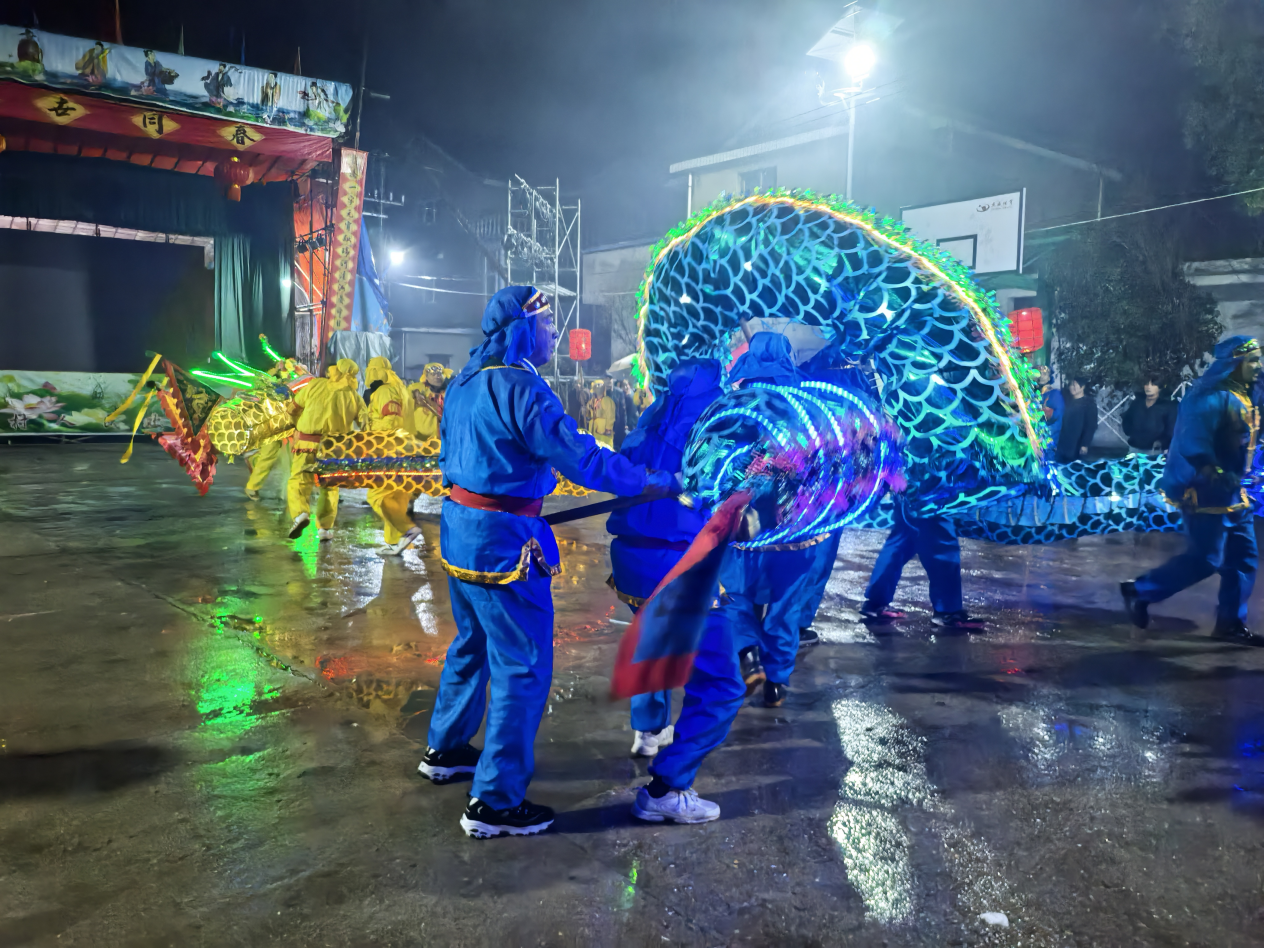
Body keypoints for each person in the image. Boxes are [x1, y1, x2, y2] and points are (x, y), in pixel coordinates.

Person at [418, 286, 673, 839]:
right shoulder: (521, 387)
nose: (555, 332)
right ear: (521, 329)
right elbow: (579, 457)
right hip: (504, 543)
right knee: (523, 665)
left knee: (471, 645)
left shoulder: (463, 382)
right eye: (548, 322)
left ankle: (447, 749)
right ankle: (495, 802)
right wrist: (646, 480)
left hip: (460, 532)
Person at [607, 358, 724, 758]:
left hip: (631, 555)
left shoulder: (647, 421)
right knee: (706, 652)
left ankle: (649, 729)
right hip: (679, 557)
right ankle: (683, 752)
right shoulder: (712, 428)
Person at [1122, 336, 1263, 644]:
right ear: (1234, 364)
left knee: (1243, 559)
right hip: (1204, 492)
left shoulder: (1249, 395)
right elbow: (1192, 441)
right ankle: (1140, 590)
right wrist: (1214, 471)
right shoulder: (1209, 398)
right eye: (1252, 360)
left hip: (1236, 495)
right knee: (1206, 560)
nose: (1259, 366)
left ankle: (1230, 624)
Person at [720, 332, 831, 707]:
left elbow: (718, 462)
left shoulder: (735, 407)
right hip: (796, 524)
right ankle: (777, 682)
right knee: (786, 602)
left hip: (746, 523)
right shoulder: (807, 406)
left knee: (735, 593)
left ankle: (748, 653)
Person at [859, 495, 984, 630]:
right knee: (940, 540)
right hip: (930, 491)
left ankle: (876, 603)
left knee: (903, 537)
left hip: (907, 489)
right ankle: (948, 611)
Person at [286, 358, 364, 541]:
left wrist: (296, 426)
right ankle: (324, 529)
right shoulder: (354, 396)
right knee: (330, 487)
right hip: (334, 448)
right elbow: (366, 424)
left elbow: (292, 408)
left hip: (307, 443)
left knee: (299, 480)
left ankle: (300, 514)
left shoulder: (315, 385)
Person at [362, 356, 423, 555]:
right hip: (404, 450)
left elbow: (392, 421)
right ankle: (395, 542)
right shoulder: (400, 389)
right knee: (395, 498)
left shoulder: (385, 391)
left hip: (389, 450)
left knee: (376, 496)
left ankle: (406, 529)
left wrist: (372, 431)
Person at [1121, 378, 1177, 453]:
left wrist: (1161, 442)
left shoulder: (1169, 406)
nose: (1149, 387)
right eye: (1147, 384)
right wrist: (1130, 432)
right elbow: (1128, 419)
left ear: (1160, 387)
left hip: (1157, 451)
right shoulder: (1137, 402)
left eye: (1153, 385)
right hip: (1134, 447)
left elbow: (1172, 429)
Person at [1055, 377, 1097, 463]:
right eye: (1071, 385)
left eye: (1075, 385)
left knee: (1074, 465)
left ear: (1083, 387)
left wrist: (1085, 444)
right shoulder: (1066, 401)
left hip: (1077, 443)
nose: (1072, 387)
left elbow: (1091, 426)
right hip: (1062, 442)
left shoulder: (1089, 404)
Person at [409, 362, 448, 443]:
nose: (437, 376)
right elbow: (410, 392)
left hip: (443, 438)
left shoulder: (449, 392)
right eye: (433, 374)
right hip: (420, 438)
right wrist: (416, 393)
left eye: (439, 374)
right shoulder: (419, 387)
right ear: (426, 376)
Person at [1038, 366, 1064, 449]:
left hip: (1049, 436)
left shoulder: (1055, 394)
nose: (1041, 374)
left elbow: (1056, 414)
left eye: (1045, 373)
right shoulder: (1037, 393)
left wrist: (1039, 411)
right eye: (1040, 371)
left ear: (1049, 378)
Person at [585, 380, 616, 446]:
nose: (598, 388)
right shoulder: (592, 401)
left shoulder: (607, 401)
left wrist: (608, 428)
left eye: (600, 385)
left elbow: (610, 416)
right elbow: (588, 412)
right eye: (596, 386)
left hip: (603, 432)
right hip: (593, 430)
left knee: (605, 447)